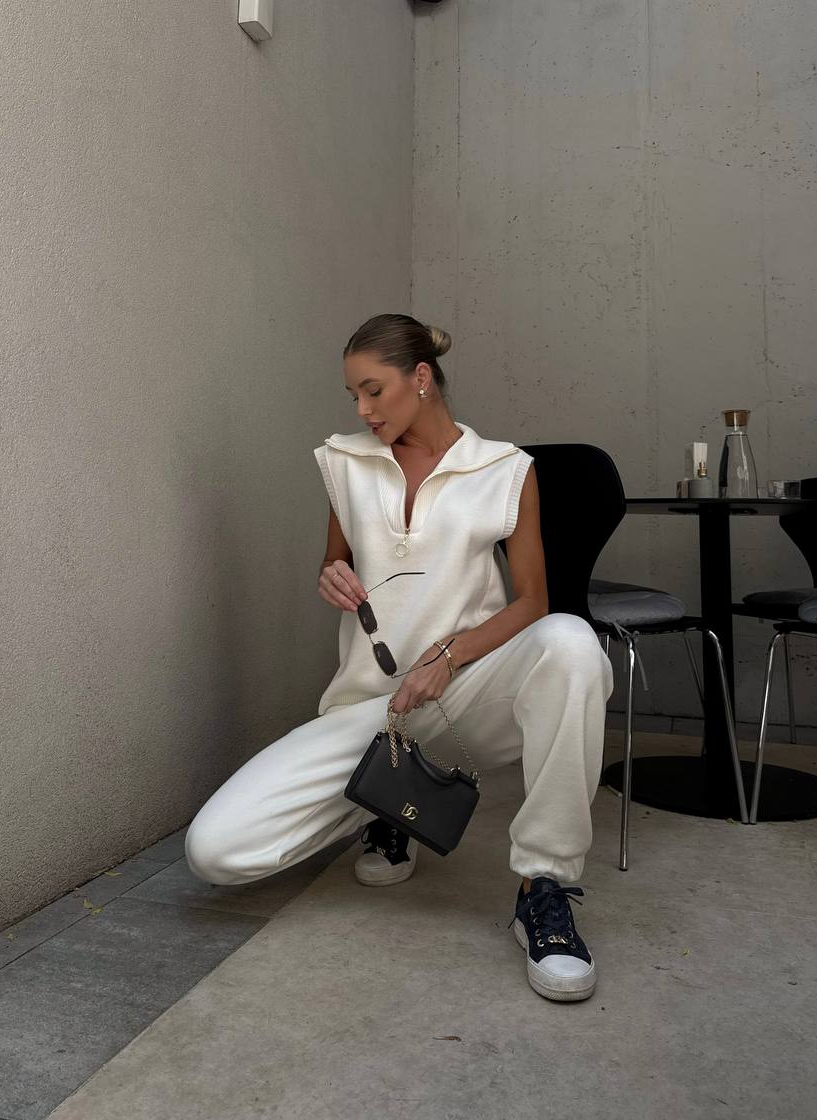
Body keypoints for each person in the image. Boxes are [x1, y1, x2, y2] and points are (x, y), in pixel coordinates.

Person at [185, 313, 614, 1002]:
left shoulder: (504, 470)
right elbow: (338, 558)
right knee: (214, 851)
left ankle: (545, 886)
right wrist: (329, 573)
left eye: (373, 390)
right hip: (373, 712)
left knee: (570, 644)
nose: (361, 408)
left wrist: (451, 654)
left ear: (421, 379)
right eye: (353, 393)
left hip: (469, 693)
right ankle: (388, 807)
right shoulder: (344, 463)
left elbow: (532, 600)